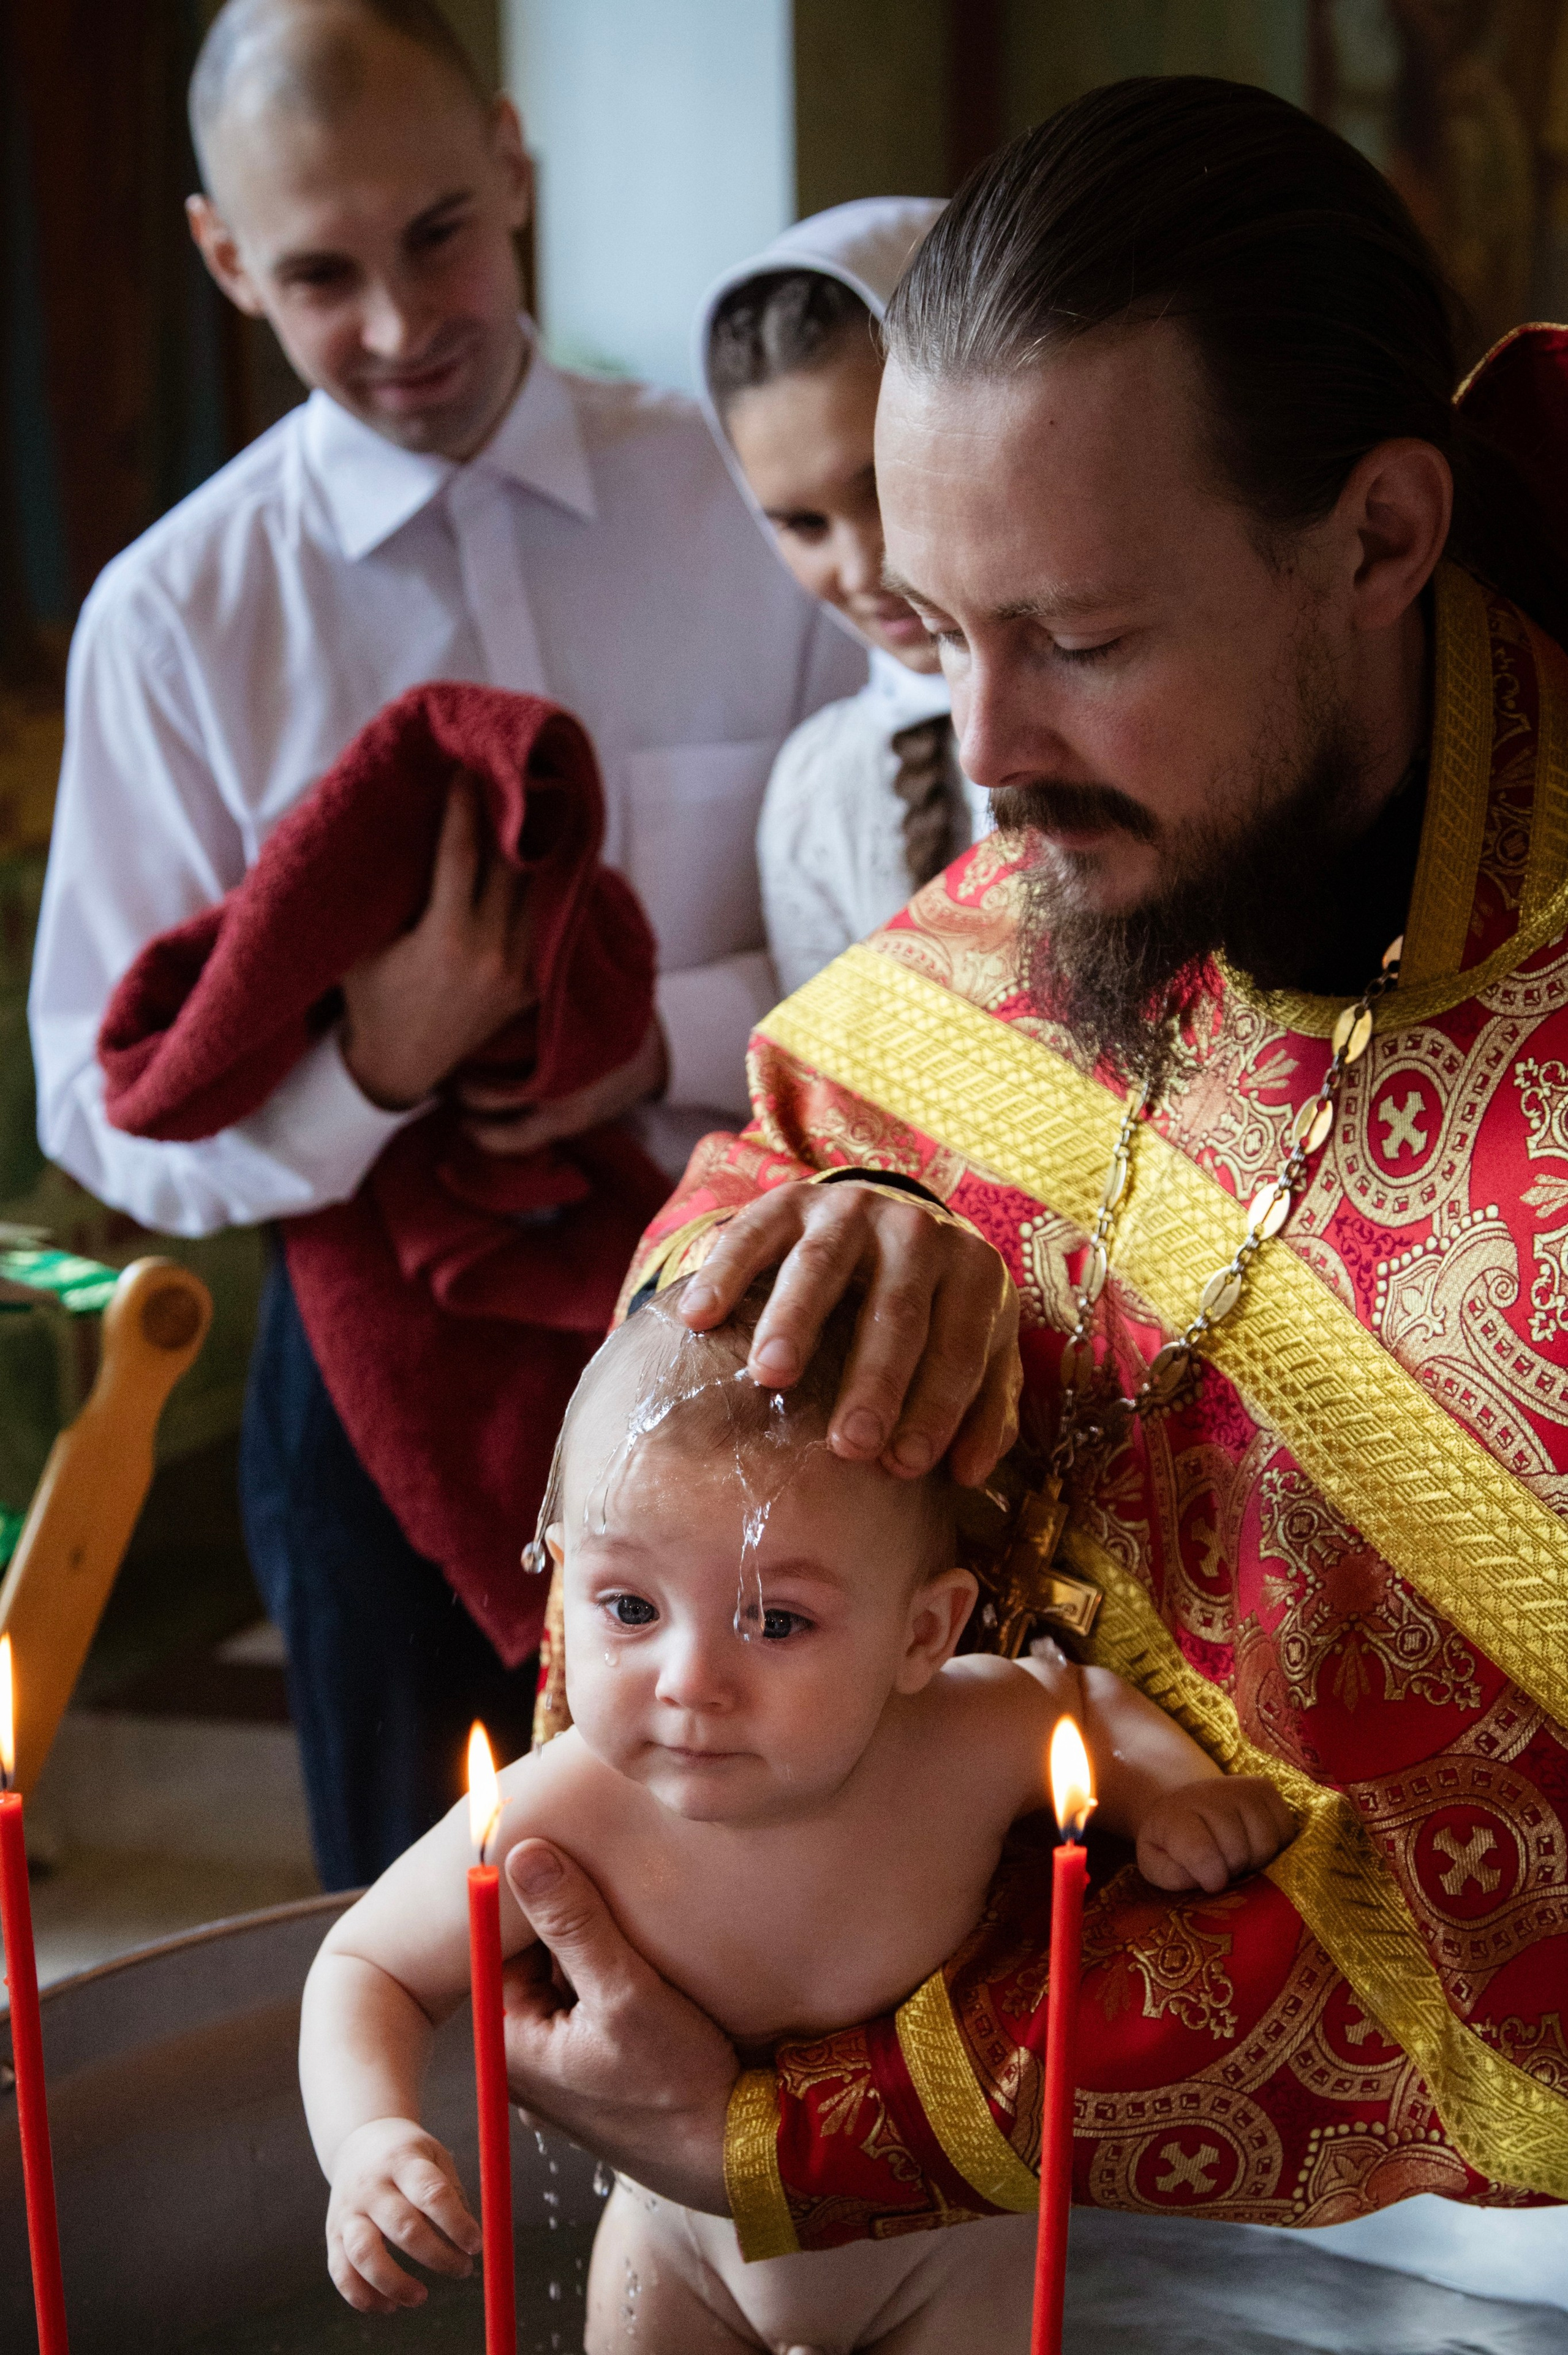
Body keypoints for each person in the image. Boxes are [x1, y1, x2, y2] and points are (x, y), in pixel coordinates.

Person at [488, 78, 1568, 2240]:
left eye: (1078, 642)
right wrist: (847, 1245)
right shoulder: (1089, 843)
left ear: (1377, 539)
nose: (985, 754)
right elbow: (791, 1149)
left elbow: (1498, 1902)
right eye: (937, 624)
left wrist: (811, 2136)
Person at [26, 0, 862, 1889]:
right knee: (431, 1932)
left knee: (788, 1906)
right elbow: (96, 1097)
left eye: (438, 236)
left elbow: (902, 914)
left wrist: (653, 1045)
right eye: (321, 272)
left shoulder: (755, 504)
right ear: (225, 259)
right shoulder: (173, 619)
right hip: (370, 1375)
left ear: (513, 160)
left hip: (758, 1292)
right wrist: (372, 1067)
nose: (402, 327)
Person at [300, 1276, 1293, 2348]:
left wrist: (1174, 1799)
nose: (689, 1679)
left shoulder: (968, 1741)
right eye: (629, 1606)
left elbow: (1086, 1705)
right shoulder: (568, 1806)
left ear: (924, 1634)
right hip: (678, 2261)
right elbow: (369, 1970)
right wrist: (367, 2139)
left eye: (776, 1621)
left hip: (951, 2262)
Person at [698, 201, 989, 997]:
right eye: (802, 524)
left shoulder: (1153, 717)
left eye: (885, 487)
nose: (861, 568)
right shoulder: (817, 791)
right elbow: (828, 1109)